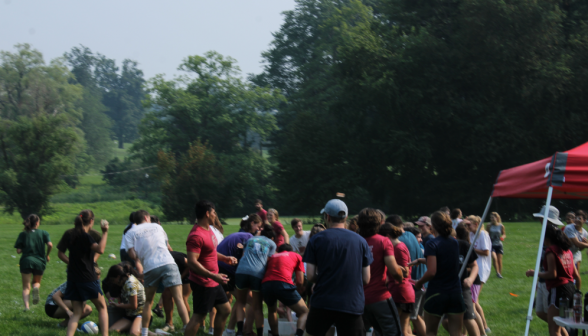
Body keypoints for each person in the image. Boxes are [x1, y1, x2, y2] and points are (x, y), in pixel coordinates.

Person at [303, 199, 373, 336]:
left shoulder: (316, 239)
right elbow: (366, 278)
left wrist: (324, 280)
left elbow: (310, 276)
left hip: (323, 301)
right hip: (351, 303)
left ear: (327, 217)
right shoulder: (360, 241)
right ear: (346, 217)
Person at [124, 209, 190, 336]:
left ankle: (144, 332)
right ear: (146, 217)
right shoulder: (157, 226)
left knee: (149, 301)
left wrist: (142, 255)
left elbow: (132, 255)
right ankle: (188, 329)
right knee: (179, 298)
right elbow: (165, 244)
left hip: (150, 267)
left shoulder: (130, 233)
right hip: (168, 262)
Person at [185, 201, 236, 336]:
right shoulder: (196, 235)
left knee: (225, 309)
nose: (215, 215)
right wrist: (213, 276)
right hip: (203, 282)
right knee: (199, 316)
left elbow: (211, 251)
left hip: (213, 280)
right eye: (214, 212)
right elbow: (192, 262)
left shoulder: (208, 230)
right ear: (207, 214)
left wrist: (225, 258)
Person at [57, 210, 109, 336]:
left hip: (73, 278)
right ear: (91, 221)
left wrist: (71, 263)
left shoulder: (70, 234)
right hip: (87, 277)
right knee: (102, 307)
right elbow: (100, 249)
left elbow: (60, 253)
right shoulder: (86, 236)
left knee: (76, 313)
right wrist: (105, 233)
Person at [415, 211, 465, 336]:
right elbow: (446, 261)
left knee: (431, 332)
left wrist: (418, 282)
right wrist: (423, 260)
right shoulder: (454, 242)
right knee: (457, 333)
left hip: (437, 293)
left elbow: (432, 271)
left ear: (432, 226)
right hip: (455, 292)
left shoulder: (432, 243)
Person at [526, 223, 580, 336]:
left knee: (554, 330)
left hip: (558, 289)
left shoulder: (551, 251)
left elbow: (552, 274)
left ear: (547, 237)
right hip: (570, 289)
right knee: (559, 324)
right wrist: (577, 294)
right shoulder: (567, 251)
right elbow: (576, 275)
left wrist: (534, 273)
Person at [356, 210, 404, 336]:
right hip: (379, 297)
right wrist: (400, 277)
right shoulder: (383, 241)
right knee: (393, 332)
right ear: (379, 224)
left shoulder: (355, 241)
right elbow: (394, 270)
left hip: (358, 299)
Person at [216, 216, 258, 336]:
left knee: (240, 300)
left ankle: (231, 330)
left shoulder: (240, 234)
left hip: (219, 267)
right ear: (252, 224)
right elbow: (246, 260)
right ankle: (242, 330)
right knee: (251, 300)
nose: (258, 229)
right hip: (227, 269)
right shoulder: (249, 237)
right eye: (258, 226)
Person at [234, 224, 277, 336]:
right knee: (257, 307)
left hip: (241, 270)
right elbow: (268, 262)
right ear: (272, 237)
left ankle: (239, 331)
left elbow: (244, 254)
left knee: (240, 302)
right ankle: (259, 334)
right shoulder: (272, 243)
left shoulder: (251, 239)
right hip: (257, 273)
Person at [388, 216, 426, 335]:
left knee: (414, 318)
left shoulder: (399, 241)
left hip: (410, 284)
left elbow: (403, 269)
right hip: (418, 281)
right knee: (410, 319)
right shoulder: (410, 235)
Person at [441, 223, 481, 336]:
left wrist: (470, 279)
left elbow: (474, 265)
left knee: (468, 318)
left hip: (462, 288)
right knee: (445, 321)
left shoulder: (463, 246)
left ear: (454, 238)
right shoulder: (439, 246)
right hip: (446, 288)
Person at [372, 222, 409, 336]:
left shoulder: (398, 247)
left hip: (399, 290)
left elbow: (405, 272)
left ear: (386, 236)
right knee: (404, 331)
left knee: (398, 331)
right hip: (398, 289)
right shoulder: (397, 246)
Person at [262, 243, 308, 336]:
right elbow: (300, 281)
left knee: (272, 311)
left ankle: (275, 334)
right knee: (305, 312)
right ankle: (298, 334)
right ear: (291, 250)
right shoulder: (296, 255)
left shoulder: (273, 256)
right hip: (283, 283)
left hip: (266, 284)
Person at [532, 205, 566, 324]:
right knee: (540, 312)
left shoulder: (555, 236)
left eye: (542, 218)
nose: (540, 221)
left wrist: (536, 274)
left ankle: (560, 329)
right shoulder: (545, 234)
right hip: (543, 279)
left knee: (553, 321)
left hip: (551, 282)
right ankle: (560, 328)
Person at [14, 214, 52, 310]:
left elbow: (18, 251)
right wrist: (47, 255)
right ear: (37, 223)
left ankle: (27, 307)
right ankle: (36, 288)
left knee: (26, 287)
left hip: (26, 261)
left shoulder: (23, 234)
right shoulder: (44, 233)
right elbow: (50, 245)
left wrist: (25, 248)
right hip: (40, 261)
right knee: (36, 282)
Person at [464, 215, 492, 335]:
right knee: (474, 301)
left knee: (473, 301)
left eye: (469, 225)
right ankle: (482, 327)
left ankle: (484, 327)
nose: (467, 227)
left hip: (481, 268)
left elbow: (486, 252)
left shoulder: (483, 234)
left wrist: (470, 250)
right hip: (473, 267)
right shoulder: (471, 234)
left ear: (476, 224)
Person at [104, 264, 146, 336]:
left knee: (134, 333)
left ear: (118, 277)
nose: (114, 282)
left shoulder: (130, 284)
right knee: (111, 331)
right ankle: (135, 327)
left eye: (113, 280)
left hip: (141, 314)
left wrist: (118, 305)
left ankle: (153, 333)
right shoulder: (126, 281)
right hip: (130, 315)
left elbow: (134, 306)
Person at [158, 251, 192, 333]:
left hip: (187, 273)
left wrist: (180, 277)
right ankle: (169, 324)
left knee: (183, 298)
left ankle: (187, 325)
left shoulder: (175, 256)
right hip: (173, 274)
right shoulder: (158, 259)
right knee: (166, 296)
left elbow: (190, 265)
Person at [564, 210, 588, 274]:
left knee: (576, 275)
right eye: (576, 218)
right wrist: (586, 244)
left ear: (584, 220)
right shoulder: (569, 228)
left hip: (576, 255)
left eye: (579, 218)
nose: (576, 220)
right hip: (565, 254)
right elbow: (576, 243)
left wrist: (584, 244)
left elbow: (580, 249)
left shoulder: (585, 233)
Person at [488, 212, 506, 279]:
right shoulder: (489, 225)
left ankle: (500, 274)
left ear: (497, 218)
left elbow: (504, 234)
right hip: (491, 244)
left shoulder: (501, 226)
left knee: (499, 260)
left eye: (493, 217)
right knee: (494, 258)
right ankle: (497, 272)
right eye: (491, 217)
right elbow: (487, 234)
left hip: (499, 244)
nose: (491, 219)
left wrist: (503, 237)